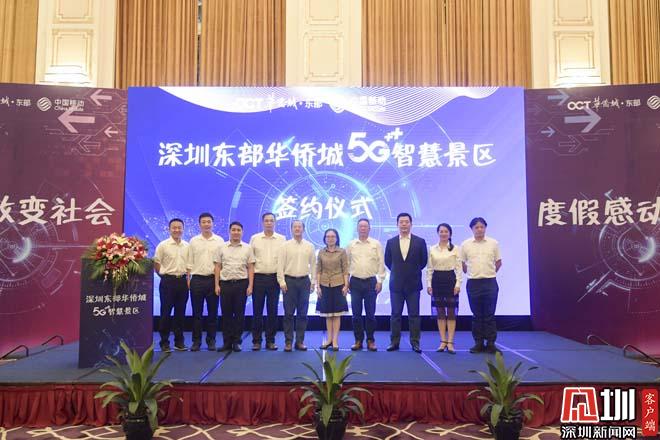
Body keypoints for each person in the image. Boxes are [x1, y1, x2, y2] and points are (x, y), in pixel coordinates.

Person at [384, 213, 428, 353]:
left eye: (406, 222)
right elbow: (388, 261)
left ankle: (415, 342)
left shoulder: (420, 241)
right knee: (395, 315)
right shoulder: (391, 242)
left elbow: (423, 261)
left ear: (411, 224)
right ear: (397, 224)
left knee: (414, 315)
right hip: (396, 284)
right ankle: (394, 342)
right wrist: (399, 272)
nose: (404, 224)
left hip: (413, 284)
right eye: (401, 222)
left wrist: (411, 272)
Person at [460, 217, 502, 354]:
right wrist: (473, 273)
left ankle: (491, 343)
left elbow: (498, 262)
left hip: (490, 282)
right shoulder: (465, 244)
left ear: (485, 228)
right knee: (477, 315)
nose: (479, 229)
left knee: (490, 314)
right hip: (473, 282)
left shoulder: (493, 243)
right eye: (476, 227)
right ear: (472, 229)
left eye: (482, 227)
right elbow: (462, 264)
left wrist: (489, 273)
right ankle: (478, 343)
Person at [214, 221, 255, 352]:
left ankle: (237, 341)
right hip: (225, 284)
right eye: (233, 230)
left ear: (242, 232)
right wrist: (216, 284)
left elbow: (251, 267)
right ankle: (226, 342)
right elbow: (217, 266)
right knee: (226, 314)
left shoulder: (248, 248)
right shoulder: (221, 247)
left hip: (241, 284)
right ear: (229, 231)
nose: (236, 232)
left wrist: (250, 285)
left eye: (238, 230)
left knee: (239, 314)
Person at [346, 218, 385, 351]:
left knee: (370, 314)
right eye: (361, 226)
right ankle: (358, 340)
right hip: (355, 282)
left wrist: (380, 281)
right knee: (356, 315)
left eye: (365, 226)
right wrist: (346, 282)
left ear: (369, 228)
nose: (363, 228)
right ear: (357, 228)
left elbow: (381, 263)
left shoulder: (376, 244)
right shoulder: (351, 244)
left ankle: (370, 340)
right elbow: (347, 264)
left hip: (371, 282)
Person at [187, 213, 224, 351]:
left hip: (213, 280)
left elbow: (221, 263)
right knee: (197, 313)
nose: (206, 224)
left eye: (209, 221)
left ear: (212, 223)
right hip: (197, 280)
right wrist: (189, 279)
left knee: (213, 313)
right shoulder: (193, 241)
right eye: (204, 222)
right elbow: (189, 262)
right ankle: (196, 341)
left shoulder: (219, 241)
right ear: (200, 224)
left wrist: (218, 283)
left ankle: (211, 340)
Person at [277, 220, 316, 352]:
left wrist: (313, 282)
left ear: (303, 229)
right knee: (288, 313)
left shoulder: (309, 246)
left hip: (304, 282)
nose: (297, 229)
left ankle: (300, 341)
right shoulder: (285, 246)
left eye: (300, 227)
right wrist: (281, 282)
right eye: (295, 227)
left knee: (302, 314)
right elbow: (280, 265)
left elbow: (313, 265)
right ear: (291, 229)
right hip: (289, 282)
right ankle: (288, 342)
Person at [249, 212, 286, 351]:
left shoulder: (282, 239)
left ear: (275, 222)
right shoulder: (255, 238)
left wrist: (282, 280)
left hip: (274, 279)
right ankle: (256, 341)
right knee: (257, 311)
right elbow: (250, 261)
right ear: (262, 222)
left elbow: (283, 261)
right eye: (266, 220)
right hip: (258, 278)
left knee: (272, 311)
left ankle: (270, 341)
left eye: (271, 220)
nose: (269, 223)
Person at [153, 218, 190, 353]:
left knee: (180, 313)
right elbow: (156, 263)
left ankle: (179, 342)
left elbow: (189, 265)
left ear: (183, 229)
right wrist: (164, 276)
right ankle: (164, 342)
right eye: (174, 227)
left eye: (179, 227)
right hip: (167, 281)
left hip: (182, 282)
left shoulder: (187, 246)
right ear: (169, 229)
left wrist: (188, 280)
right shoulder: (163, 245)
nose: (177, 230)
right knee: (165, 313)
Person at [427, 223, 462, 354]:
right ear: (438, 233)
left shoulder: (456, 249)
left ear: (450, 233)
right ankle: (443, 341)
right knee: (440, 312)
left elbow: (459, 269)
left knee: (451, 312)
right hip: (437, 280)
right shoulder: (432, 249)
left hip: (450, 280)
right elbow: (429, 269)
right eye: (441, 231)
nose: (443, 233)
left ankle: (451, 342)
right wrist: (429, 285)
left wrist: (458, 284)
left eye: (446, 231)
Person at [315, 229, 349, 351]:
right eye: (328, 236)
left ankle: (335, 341)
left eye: (333, 236)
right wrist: (318, 286)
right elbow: (318, 270)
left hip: (339, 285)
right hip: (324, 285)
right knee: (328, 315)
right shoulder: (321, 252)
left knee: (337, 315)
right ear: (324, 238)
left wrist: (346, 285)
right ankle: (329, 339)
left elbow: (345, 270)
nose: (330, 239)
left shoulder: (342, 252)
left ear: (337, 238)